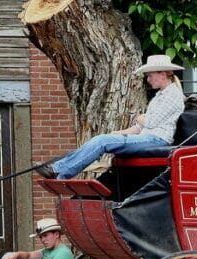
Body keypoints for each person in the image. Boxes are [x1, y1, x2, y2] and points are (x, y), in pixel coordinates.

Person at [36, 54, 185, 180]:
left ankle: (60, 172)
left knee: (102, 141)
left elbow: (150, 122)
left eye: (150, 75)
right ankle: (58, 168)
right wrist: (118, 133)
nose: (148, 79)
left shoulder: (173, 95)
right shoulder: (160, 96)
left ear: (163, 74)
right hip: (149, 137)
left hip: (157, 139)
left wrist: (138, 117)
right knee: (103, 138)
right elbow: (140, 127)